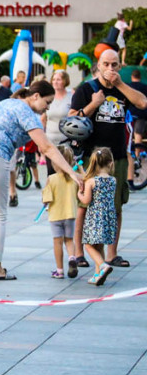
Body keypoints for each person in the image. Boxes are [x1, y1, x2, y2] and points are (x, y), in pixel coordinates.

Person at [0, 80, 82, 280]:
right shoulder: (28, 112)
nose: (48, 107)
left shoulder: (6, 103)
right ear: (35, 96)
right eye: (48, 102)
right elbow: (47, 148)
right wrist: (71, 172)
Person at [68, 49, 147, 269]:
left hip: (117, 156)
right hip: (91, 156)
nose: (110, 69)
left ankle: (112, 254)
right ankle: (78, 252)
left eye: (114, 65)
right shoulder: (87, 89)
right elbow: (71, 119)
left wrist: (120, 85)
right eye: (106, 64)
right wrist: (94, 104)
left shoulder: (123, 89)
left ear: (119, 67)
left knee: (116, 205)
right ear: (99, 65)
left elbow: (142, 103)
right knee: (83, 204)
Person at [78, 147, 118, 286]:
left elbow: (86, 201)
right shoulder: (113, 180)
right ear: (110, 163)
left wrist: (79, 194)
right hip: (108, 217)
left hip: (95, 217)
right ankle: (97, 275)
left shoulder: (91, 182)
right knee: (99, 245)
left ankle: (102, 265)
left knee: (88, 244)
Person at [42, 144, 79, 280]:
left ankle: (59, 271)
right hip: (70, 215)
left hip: (56, 216)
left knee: (57, 242)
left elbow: (46, 199)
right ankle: (72, 257)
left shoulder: (51, 179)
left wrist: (45, 201)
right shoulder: (74, 178)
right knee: (69, 240)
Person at [43, 70, 73, 175]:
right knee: (51, 174)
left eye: (58, 79)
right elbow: (43, 118)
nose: (55, 82)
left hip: (66, 142)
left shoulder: (71, 95)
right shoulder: (48, 96)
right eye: (54, 79)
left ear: (65, 81)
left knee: (66, 173)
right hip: (50, 141)